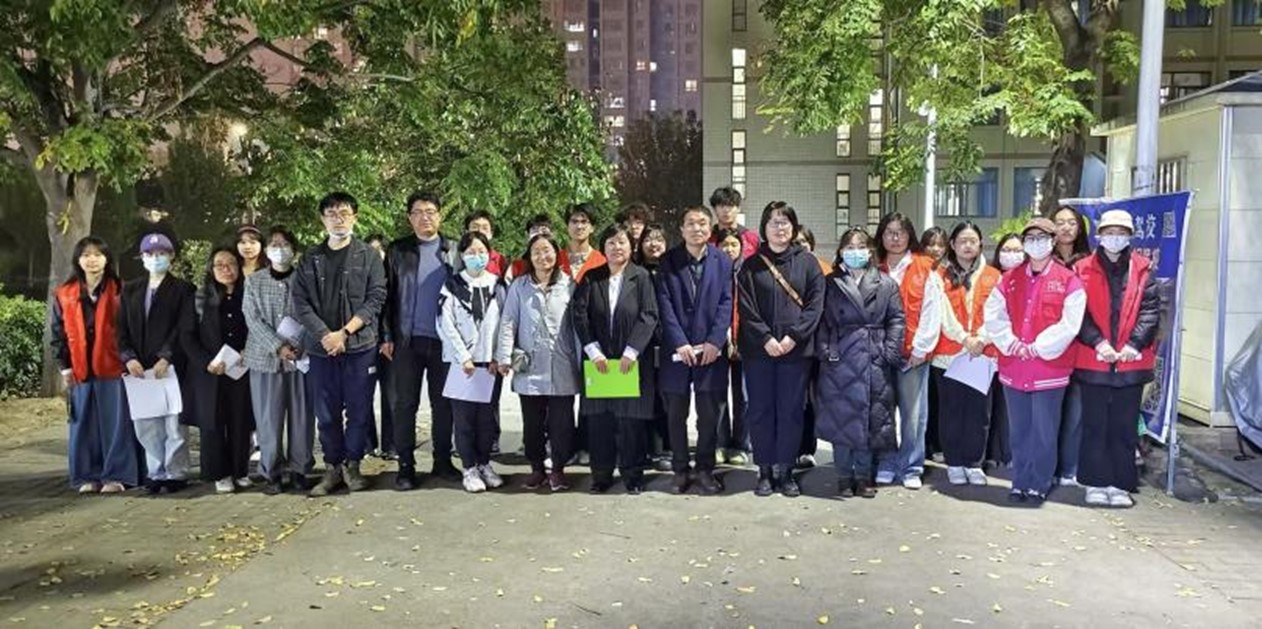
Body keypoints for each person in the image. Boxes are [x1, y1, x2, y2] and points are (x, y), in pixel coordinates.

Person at [983, 217, 1085, 504]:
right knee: (1019, 430)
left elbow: (1070, 323)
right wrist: (1011, 342)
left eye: (1042, 238)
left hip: (1048, 368)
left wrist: (1038, 347)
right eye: (1031, 238)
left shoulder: (1068, 280)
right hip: (1014, 365)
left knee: (1045, 431)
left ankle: (1039, 483)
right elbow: (994, 314)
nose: (1036, 243)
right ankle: (1020, 481)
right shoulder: (1009, 278)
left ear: (1053, 242)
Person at [292, 192, 388, 497]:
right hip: (321, 350)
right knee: (326, 413)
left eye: (344, 213)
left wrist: (344, 333)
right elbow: (300, 302)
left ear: (355, 217)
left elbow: (376, 297)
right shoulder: (310, 258)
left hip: (360, 347)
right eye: (332, 214)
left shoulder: (369, 256)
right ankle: (332, 467)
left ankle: (353, 465)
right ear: (323, 219)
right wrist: (326, 335)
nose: (339, 219)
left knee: (359, 410)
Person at [736, 202, 825, 497]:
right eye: (773, 222)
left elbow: (815, 306)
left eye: (785, 221)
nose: (779, 227)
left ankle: (786, 471)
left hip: (796, 352)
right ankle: (764, 470)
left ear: (794, 226)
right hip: (758, 351)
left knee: (791, 410)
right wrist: (766, 338)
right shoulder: (750, 266)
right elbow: (746, 308)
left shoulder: (808, 263)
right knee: (760, 410)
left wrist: (793, 338)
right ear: (764, 227)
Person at [1072, 210, 1160, 508]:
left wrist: (1135, 344)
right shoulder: (1081, 268)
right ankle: (1094, 482)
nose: (1115, 238)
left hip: (1130, 361)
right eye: (1109, 232)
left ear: (1130, 236)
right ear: (1099, 235)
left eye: (1121, 233)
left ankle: (1120, 483)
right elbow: (1076, 313)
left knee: (1123, 426)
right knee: (1094, 425)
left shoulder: (1143, 268)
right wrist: (1097, 342)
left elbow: (1150, 311)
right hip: (1093, 359)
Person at [815, 228, 904, 498]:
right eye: (850, 247)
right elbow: (820, 320)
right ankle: (843, 475)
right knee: (841, 420)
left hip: (874, 357)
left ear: (870, 250)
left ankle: (864, 476)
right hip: (839, 357)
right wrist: (826, 350)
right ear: (841, 251)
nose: (856, 252)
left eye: (861, 246)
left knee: (869, 420)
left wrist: (889, 351)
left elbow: (896, 319)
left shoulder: (886, 284)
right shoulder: (830, 283)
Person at [572, 224, 661, 494]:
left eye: (622, 241)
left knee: (631, 422)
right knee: (600, 422)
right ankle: (601, 475)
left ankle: (633, 475)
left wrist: (632, 351)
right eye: (610, 242)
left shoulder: (641, 277)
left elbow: (649, 315)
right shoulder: (591, 277)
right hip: (599, 363)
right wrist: (592, 350)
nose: (616, 247)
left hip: (630, 364)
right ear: (603, 247)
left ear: (631, 246)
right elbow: (579, 314)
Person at [51, 236, 142, 493]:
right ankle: (86, 476)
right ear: (78, 260)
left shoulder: (121, 289)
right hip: (80, 368)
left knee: (116, 423)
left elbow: (131, 328)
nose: (92, 260)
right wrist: (64, 366)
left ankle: (117, 475)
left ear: (106, 259)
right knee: (83, 424)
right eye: (86, 255)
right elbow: (57, 333)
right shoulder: (65, 293)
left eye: (97, 254)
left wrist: (130, 357)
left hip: (113, 366)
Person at [382, 191, 460, 490]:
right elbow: (386, 297)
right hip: (407, 340)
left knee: (444, 404)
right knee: (404, 404)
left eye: (430, 211)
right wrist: (386, 335)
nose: (424, 217)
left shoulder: (454, 249)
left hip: (445, 342)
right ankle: (405, 466)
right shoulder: (398, 250)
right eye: (418, 212)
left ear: (439, 216)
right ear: (409, 218)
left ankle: (443, 460)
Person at [656, 206, 734, 495]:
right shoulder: (668, 261)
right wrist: (679, 341)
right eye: (690, 223)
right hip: (677, 351)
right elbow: (664, 303)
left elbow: (727, 301)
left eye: (702, 223)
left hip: (711, 351)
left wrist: (715, 341)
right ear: (681, 229)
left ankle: (704, 469)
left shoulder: (722, 261)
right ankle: (680, 469)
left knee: (709, 415)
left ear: (710, 228)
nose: (696, 228)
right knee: (676, 413)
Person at [495, 234, 580, 492]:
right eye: (537, 252)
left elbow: (578, 325)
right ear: (529, 258)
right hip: (529, 365)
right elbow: (508, 321)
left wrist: (582, 360)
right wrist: (504, 357)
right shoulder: (520, 286)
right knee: (532, 423)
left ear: (556, 253)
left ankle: (558, 469)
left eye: (547, 250)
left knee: (562, 423)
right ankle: (537, 468)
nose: (543, 256)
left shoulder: (569, 285)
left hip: (562, 363)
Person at [117, 231, 196, 494]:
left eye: (161, 253)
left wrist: (167, 355)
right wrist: (128, 357)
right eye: (150, 254)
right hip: (139, 370)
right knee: (147, 423)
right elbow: (120, 329)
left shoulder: (183, 289)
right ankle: (155, 471)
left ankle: (176, 472)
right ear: (141, 257)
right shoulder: (130, 290)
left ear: (171, 256)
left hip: (170, 368)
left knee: (174, 422)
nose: (155, 258)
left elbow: (184, 326)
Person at [243, 226, 315, 495]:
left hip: (300, 359)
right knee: (268, 420)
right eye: (274, 244)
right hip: (264, 360)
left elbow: (313, 314)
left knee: (302, 417)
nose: (279, 249)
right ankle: (271, 470)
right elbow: (252, 319)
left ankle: (300, 469)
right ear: (266, 250)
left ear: (294, 250)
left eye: (285, 244)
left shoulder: (306, 280)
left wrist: (299, 343)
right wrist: (277, 346)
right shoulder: (254, 281)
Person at [873, 213, 942, 490]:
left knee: (913, 415)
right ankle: (886, 463)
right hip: (880, 353)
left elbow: (932, 310)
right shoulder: (873, 266)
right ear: (881, 236)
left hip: (913, 353)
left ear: (910, 235)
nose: (895, 237)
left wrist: (921, 348)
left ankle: (911, 466)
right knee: (883, 413)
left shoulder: (925, 267)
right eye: (889, 232)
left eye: (901, 232)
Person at [930, 222, 1001, 486]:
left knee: (979, 412)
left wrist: (981, 338)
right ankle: (954, 462)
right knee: (951, 411)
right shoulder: (939, 275)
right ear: (952, 244)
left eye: (972, 240)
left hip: (982, 354)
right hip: (949, 356)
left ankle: (974, 463)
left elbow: (998, 313)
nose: (967, 246)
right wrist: (963, 338)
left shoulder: (994, 276)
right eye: (962, 241)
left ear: (980, 244)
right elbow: (942, 313)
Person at [437, 231, 506, 493]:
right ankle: (469, 467)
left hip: (490, 364)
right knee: (464, 419)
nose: (477, 257)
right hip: (461, 364)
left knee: (487, 418)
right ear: (462, 255)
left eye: (481, 252)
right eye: (471, 252)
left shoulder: (498, 285)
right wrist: (463, 356)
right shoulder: (452, 285)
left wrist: (498, 356)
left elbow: (506, 323)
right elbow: (444, 322)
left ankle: (484, 463)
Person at [185, 246, 255, 494]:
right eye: (220, 265)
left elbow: (256, 327)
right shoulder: (200, 298)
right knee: (213, 424)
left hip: (241, 369)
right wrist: (207, 362)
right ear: (211, 269)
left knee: (240, 420)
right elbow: (187, 336)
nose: (226, 269)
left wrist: (249, 351)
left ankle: (240, 470)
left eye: (231, 264)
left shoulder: (248, 294)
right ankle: (219, 473)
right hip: (211, 371)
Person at [1050, 205, 1092, 487]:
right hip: (1049, 347)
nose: (1065, 228)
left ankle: (1069, 468)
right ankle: (1048, 467)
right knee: (1049, 412)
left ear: (1080, 228)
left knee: (1075, 412)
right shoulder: (1042, 260)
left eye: (1071, 223)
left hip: (1081, 347)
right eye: (1060, 222)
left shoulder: (1090, 262)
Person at [986, 234, 1025, 469]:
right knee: (992, 406)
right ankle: (993, 452)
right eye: (1007, 250)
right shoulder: (991, 278)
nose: (1012, 255)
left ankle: (1011, 453)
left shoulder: (1030, 278)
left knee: (1012, 408)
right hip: (990, 351)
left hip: (1020, 352)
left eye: (1017, 250)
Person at [636, 222, 672, 470]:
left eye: (659, 239)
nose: (653, 244)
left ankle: (667, 448)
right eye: (648, 239)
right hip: (640, 346)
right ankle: (645, 448)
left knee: (666, 398)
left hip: (668, 344)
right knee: (642, 397)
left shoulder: (673, 270)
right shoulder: (634, 271)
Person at [794, 226, 830, 469]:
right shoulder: (783, 269)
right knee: (793, 400)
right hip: (791, 344)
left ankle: (807, 448)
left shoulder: (824, 268)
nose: (800, 246)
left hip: (817, 345)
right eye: (796, 242)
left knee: (811, 400)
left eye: (804, 241)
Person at [713, 228, 749, 465]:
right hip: (717, 339)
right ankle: (721, 443)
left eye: (734, 244)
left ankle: (740, 444)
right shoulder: (711, 271)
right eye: (724, 244)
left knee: (743, 395)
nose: (729, 249)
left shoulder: (749, 271)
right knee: (717, 393)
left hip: (745, 340)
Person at [363, 233, 396, 460]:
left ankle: (391, 445)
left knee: (391, 395)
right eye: (370, 250)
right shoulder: (358, 277)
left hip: (389, 343)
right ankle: (366, 444)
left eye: (378, 250)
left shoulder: (393, 277)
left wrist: (388, 336)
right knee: (363, 394)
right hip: (364, 342)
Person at [919, 225, 949, 462]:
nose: (935, 249)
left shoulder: (949, 273)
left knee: (938, 400)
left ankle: (937, 443)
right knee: (922, 402)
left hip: (943, 348)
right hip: (920, 346)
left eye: (940, 244)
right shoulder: (917, 270)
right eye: (931, 244)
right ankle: (924, 444)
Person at [709, 186, 759, 259]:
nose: (726, 210)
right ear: (714, 209)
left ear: (739, 208)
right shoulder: (707, 238)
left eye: (730, 205)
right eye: (721, 206)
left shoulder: (751, 238)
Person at [561, 203, 607, 283]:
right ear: (567, 226)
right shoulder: (556, 259)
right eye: (574, 221)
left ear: (592, 228)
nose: (579, 226)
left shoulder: (602, 261)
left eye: (584, 222)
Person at [506, 214, 555, 281]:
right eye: (535, 231)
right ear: (528, 236)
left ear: (552, 235)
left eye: (544, 231)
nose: (539, 235)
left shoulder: (563, 262)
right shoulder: (517, 267)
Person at [464, 210, 508, 277]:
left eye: (484, 228)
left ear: (491, 234)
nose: (480, 231)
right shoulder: (454, 258)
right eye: (474, 227)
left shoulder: (500, 261)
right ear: (466, 232)